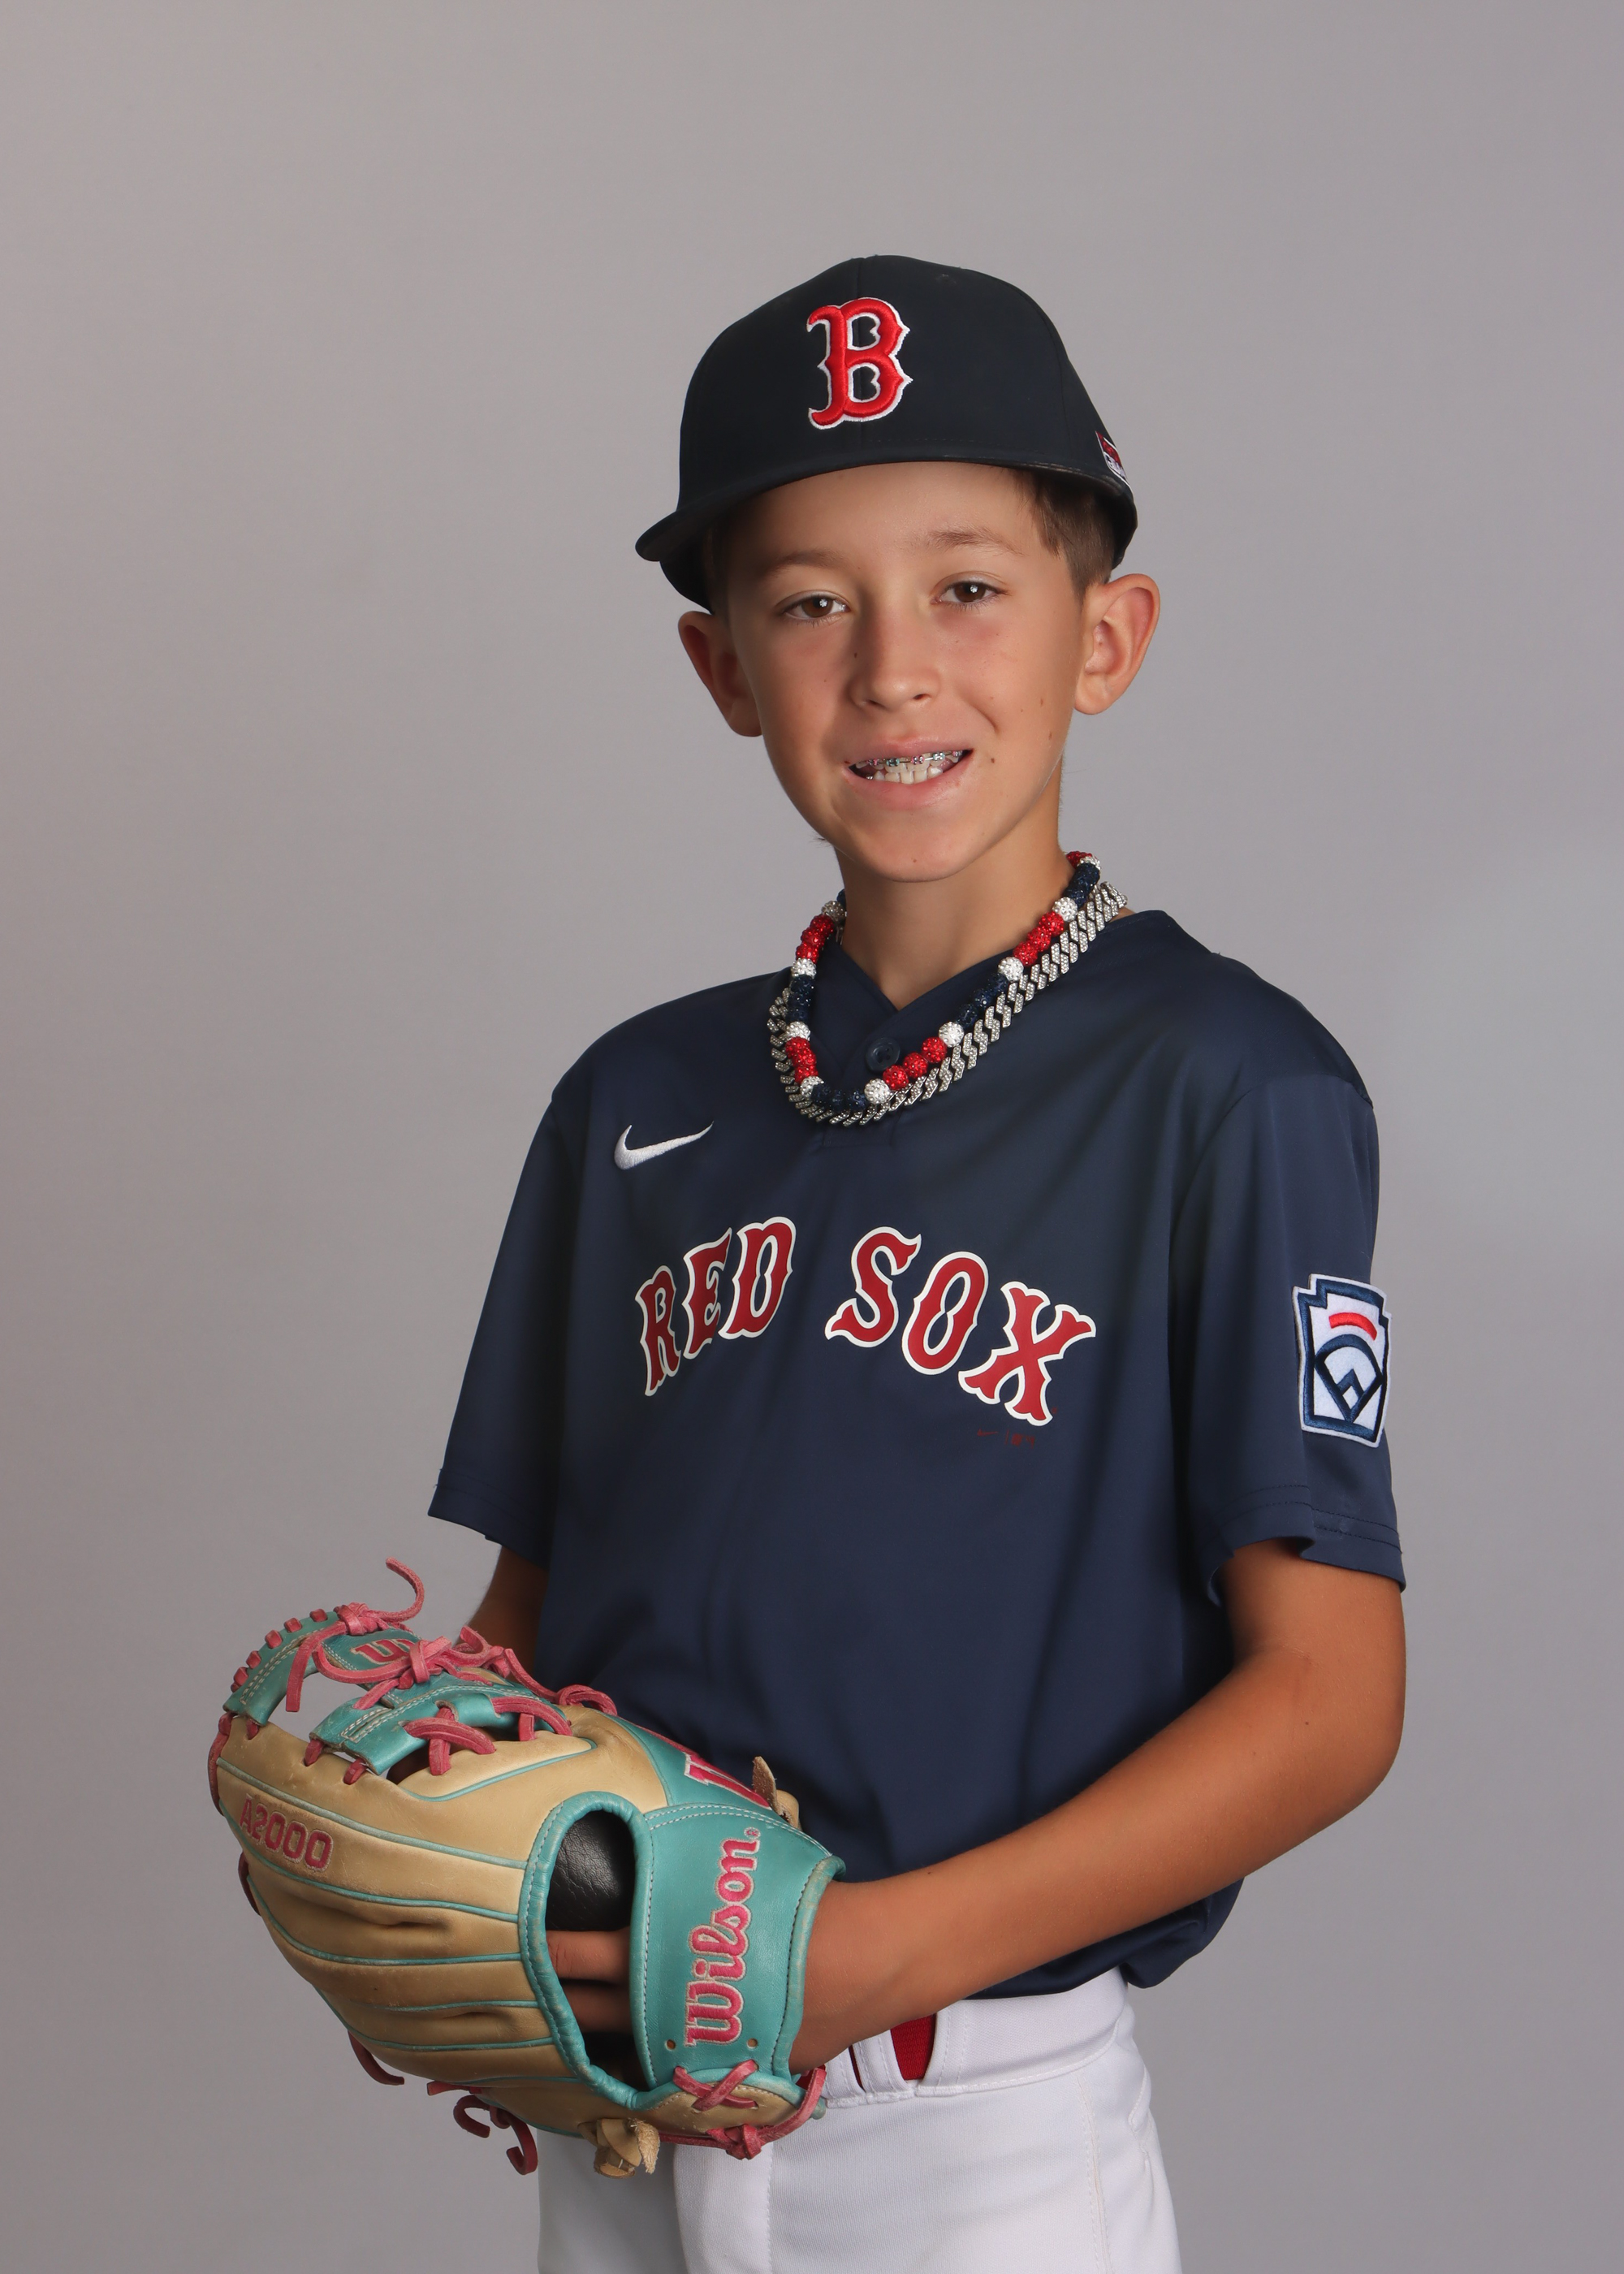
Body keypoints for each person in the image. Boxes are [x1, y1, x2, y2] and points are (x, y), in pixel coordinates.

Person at [430, 255, 1406, 2274]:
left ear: (1103, 635)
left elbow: (1327, 1694)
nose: (891, 669)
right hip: (620, 2094)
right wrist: (439, 1848)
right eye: (809, 603)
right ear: (721, 666)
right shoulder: (635, 1097)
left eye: (966, 586)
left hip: (969, 2113)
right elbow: (537, 1610)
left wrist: (871, 1951)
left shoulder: (1227, 1081)